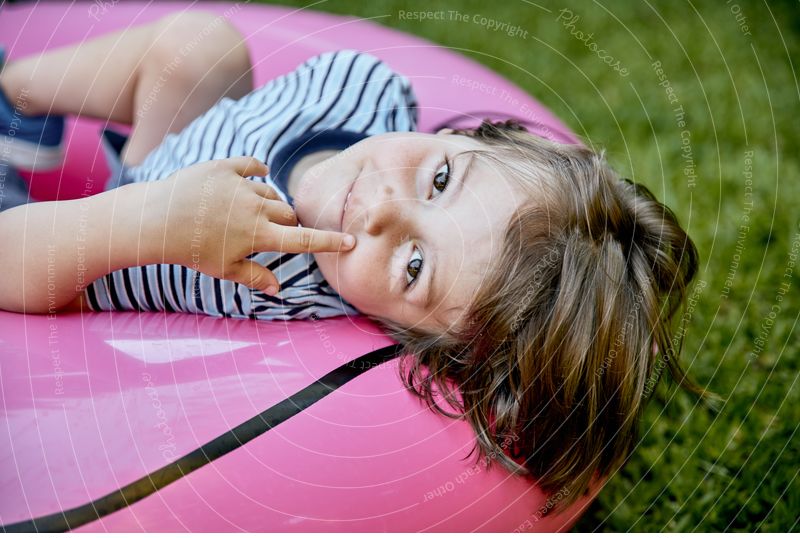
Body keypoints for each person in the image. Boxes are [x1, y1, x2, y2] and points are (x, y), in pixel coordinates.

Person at [0, 11, 699, 508]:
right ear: (482, 135)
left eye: (413, 266)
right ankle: (18, 98)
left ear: (413, 335)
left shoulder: (264, 276)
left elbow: (36, 274)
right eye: (441, 180)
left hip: (91, 237)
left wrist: (151, 222)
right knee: (198, 47)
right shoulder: (362, 91)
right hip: (166, 161)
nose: (383, 208)